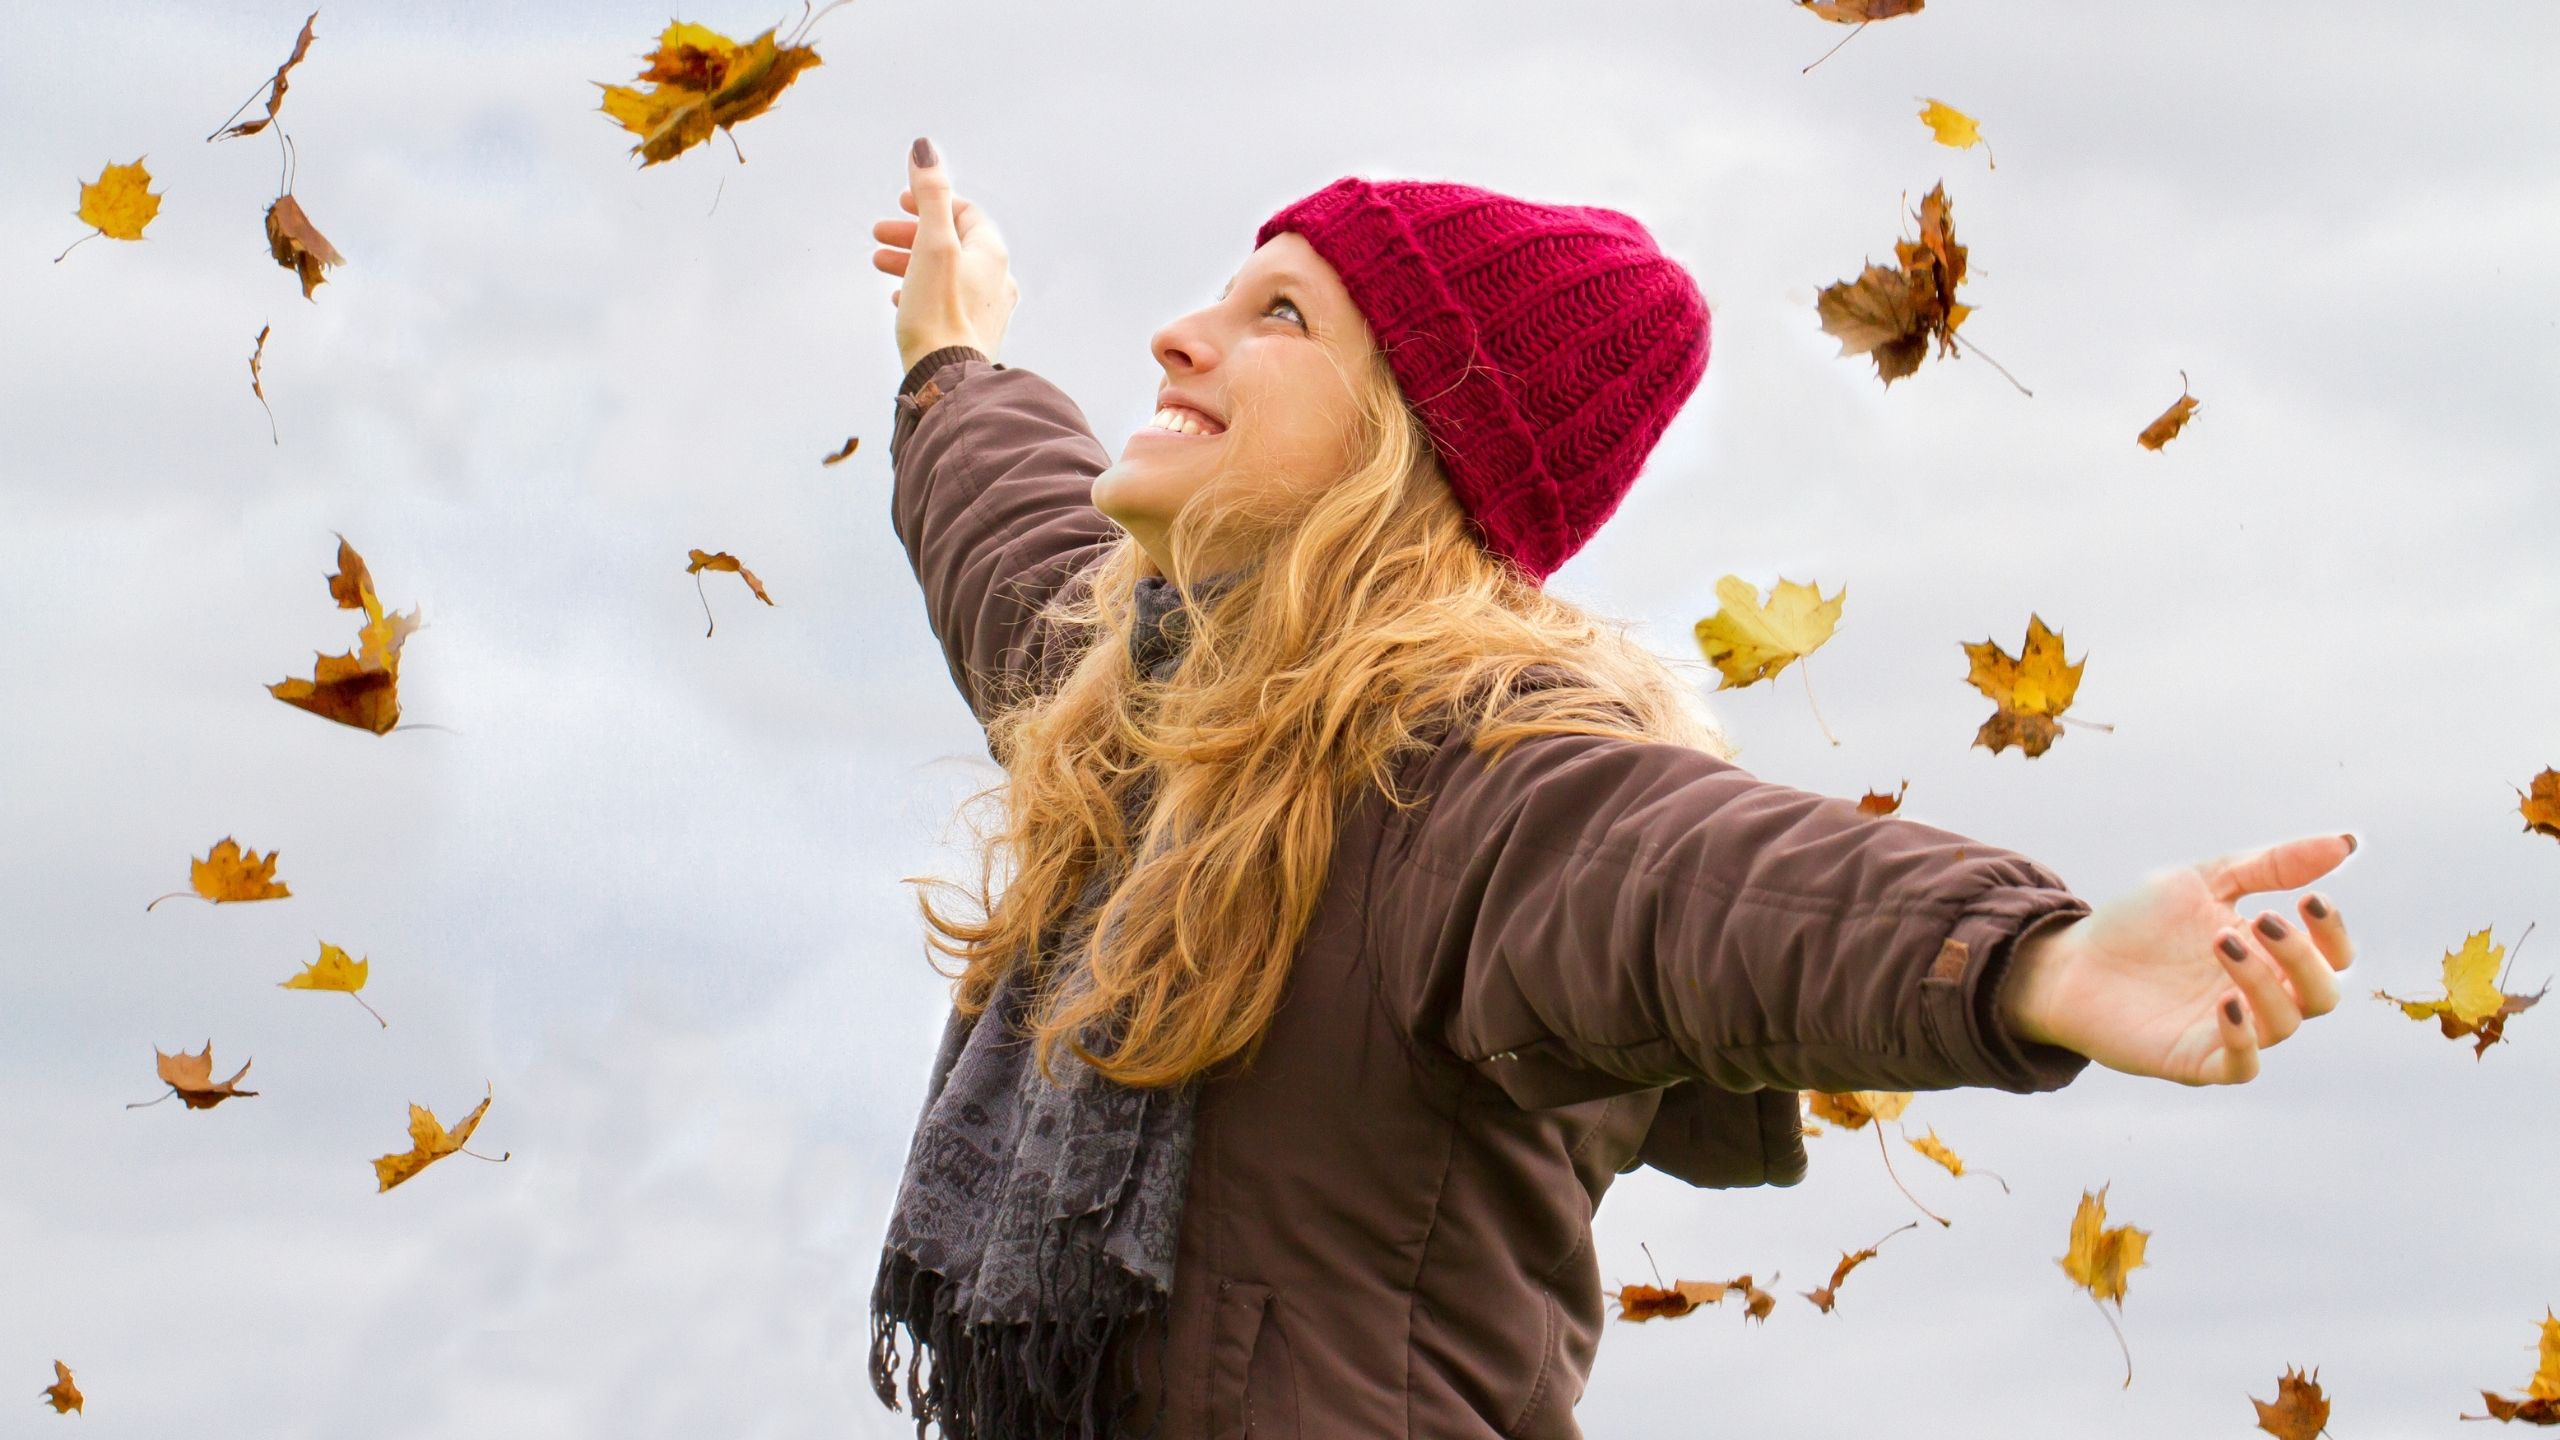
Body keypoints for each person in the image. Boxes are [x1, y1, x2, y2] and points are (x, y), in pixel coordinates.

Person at [860, 135, 2361, 1440]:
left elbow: (1704, 889)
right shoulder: (1144, 723)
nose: (1181, 336)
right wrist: (952, 350)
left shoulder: (1464, 787)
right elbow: (1015, 532)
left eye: (1281, 316)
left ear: (1411, 451)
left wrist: (2028, 958)